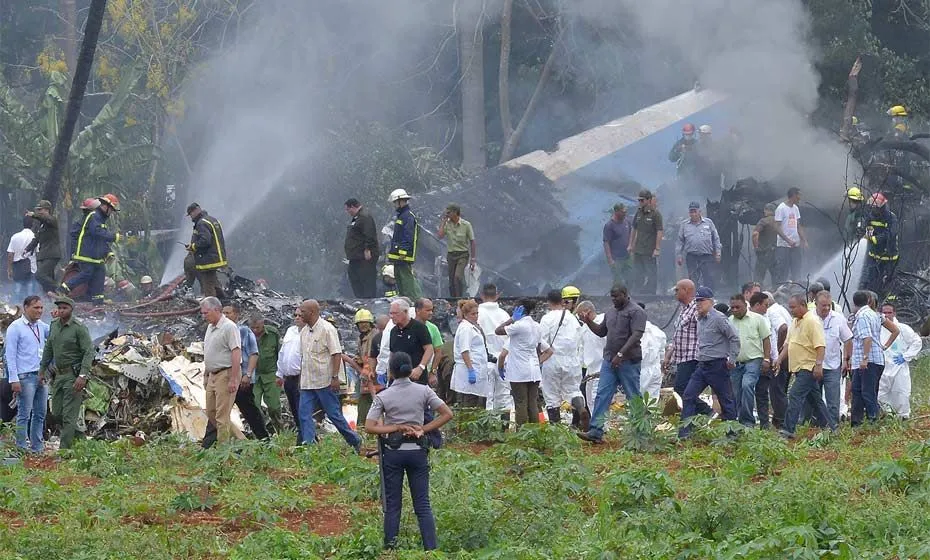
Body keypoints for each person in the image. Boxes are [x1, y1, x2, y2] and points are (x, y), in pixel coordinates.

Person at [366, 352, 453, 551]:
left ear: (391, 372)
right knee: (422, 505)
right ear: (409, 369)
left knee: (393, 505)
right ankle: (431, 550)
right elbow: (447, 414)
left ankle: (390, 549)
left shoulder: (383, 396)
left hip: (393, 454)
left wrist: (394, 428)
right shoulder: (424, 391)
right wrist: (424, 429)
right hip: (418, 452)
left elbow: (370, 426)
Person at [577, 284, 647, 443]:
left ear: (625, 294)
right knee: (602, 394)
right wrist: (588, 322)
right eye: (612, 297)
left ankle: (641, 433)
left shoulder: (636, 312)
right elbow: (601, 331)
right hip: (609, 360)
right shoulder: (611, 312)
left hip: (628, 361)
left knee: (633, 395)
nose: (614, 300)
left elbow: (636, 335)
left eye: (616, 296)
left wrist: (621, 354)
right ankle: (595, 431)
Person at [201, 305, 270, 447]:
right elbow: (210, 353)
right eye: (225, 312)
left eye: (228, 312)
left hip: (240, 378)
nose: (226, 315)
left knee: (249, 411)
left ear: (236, 314)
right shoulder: (213, 329)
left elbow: (252, 354)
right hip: (221, 377)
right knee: (216, 412)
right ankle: (210, 444)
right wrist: (207, 373)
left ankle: (264, 440)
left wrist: (247, 375)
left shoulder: (243, 331)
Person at [298, 299, 361, 451]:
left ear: (312, 312)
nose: (300, 314)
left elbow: (336, 354)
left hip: (324, 381)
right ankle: (309, 447)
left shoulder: (327, 329)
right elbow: (304, 358)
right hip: (307, 382)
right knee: (304, 414)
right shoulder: (304, 332)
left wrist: (335, 378)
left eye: (303, 311)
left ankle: (354, 440)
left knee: (334, 415)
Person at [678, 287, 740, 439]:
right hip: (702, 364)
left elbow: (734, 338)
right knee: (688, 395)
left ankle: (732, 433)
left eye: (701, 301)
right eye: (697, 301)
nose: (698, 304)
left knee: (726, 400)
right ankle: (685, 433)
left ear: (711, 302)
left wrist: (732, 359)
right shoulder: (699, 319)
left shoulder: (719, 318)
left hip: (717, 365)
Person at [773, 294, 835, 438]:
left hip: (808, 366)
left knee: (794, 394)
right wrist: (779, 360)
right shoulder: (794, 322)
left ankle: (788, 430)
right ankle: (831, 427)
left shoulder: (812, 322)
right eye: (790, 307)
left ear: (803, 305)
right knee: (815, 399)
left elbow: (820, 346)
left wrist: (818, 365)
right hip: (798, 367)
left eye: (793, 307)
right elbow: (788, 344)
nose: (791, 310)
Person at [40, 296, 93, 449]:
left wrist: (82, 376)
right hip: (58, 375)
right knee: (57, 412)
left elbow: (88, 352)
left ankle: (64, 451)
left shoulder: (79, 328)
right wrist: (42, 370)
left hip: (73, 375)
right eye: (60, 308)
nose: (61, 310)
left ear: (71, 309)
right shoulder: (54, 325)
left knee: (69, 415)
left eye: (65, 308)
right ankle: (80, 438)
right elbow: (49, 349)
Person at [495, 299, 552, 427]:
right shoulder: (537, 326)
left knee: (520, 402)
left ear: (520, 310)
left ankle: (521, 433)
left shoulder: (519, 326)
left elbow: (498, 331)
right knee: (532, 403)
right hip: (534, 371)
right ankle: (535, 432)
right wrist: (537, 363)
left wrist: (511, 319)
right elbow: (539, 349)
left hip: (519, 371)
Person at [5, 296, 50, 453]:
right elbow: (9, 355)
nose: (39, 311)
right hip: (25, 377)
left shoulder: (42, 327)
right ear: (25, 308)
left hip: (41, 376)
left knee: (40, 413)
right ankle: (21, 447)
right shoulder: (15, 328)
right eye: (35, 308)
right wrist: (14, 379)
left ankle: (37, 447)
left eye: (41, 308)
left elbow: (55, 335)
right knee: (24, 414)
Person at [539, 289, 588, 428]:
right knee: (574, 390)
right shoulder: (572, 318)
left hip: (552, 359)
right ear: (562, 301)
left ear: (548, 302)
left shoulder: (547, 318)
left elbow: (541, 340)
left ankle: (557, 429)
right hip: (573, 360)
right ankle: (579, 413)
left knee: (551, 395)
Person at [663, 279, 713, 416]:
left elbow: (704, 331)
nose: (675, 293)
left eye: (677, 290)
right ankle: (691, 420)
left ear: (686, 290)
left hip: (692, 357)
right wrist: (668, 356)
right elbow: (677, 335)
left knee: (682, 390)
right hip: (681, 358)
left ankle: (707, 412)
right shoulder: (684, 310)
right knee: (685, 391)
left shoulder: (695, 309)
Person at [850, 290, 899, 426]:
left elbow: (867, 338)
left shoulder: (864, 316)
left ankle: (873, 421)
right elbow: (895, 330)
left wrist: (865, 358)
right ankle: (857, 422)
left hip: (868, 360)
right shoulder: (875, 315)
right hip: (872, 359)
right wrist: (883, 347)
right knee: (859, 390)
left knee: (866, 392)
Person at [62, 194, 120, 304]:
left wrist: (108, 253)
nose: (111, 212)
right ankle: (64, 289)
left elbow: (100, 240)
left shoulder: (100, 219)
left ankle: (98, 302)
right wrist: (113, 237)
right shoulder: (94, 216)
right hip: (87, 254)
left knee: (99, 275)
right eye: (111, 210)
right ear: (105, 206)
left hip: (96, 257)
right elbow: (97, 233)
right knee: (87, 273)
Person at [199, 297, 242, 446]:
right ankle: (242, 442)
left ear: (216, 310)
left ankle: (223, 452)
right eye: (202, 313)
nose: (204, 316)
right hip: (213, 375)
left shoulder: (229, 327)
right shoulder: (210, 327)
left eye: (206, 313)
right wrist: (206, 374)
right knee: (211, 412)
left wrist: (233, 378)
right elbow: (209, 351)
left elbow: (236, 352)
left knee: (222, 416)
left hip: (226, 373)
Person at [728, 294, 771, 427]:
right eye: (732, 307)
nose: (735, 310)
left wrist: (767, 359)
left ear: (745, 306)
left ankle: (748, 422)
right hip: (736, 363)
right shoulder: (730, 321)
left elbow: (766, 339)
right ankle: (739, 422)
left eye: (737, 307)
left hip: (754, 360)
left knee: (747, 386)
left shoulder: (758, 319)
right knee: (736, 392)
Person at [812, 290, 853, 426]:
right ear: (816, 304)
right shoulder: (809, 318)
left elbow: (848, 339)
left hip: (833, 365)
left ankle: (833, 426)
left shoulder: (838, 319)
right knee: (813, 398)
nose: (827, 308)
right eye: (823, 305)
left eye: (829, 305)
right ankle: (816, 424)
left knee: (833, 399)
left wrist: (846, 360)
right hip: (813, 365)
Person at [878, 301, 921, 418]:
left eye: (889, 312)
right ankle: (887, 415)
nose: (886, 315)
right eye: (884, 313)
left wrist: (906, 356)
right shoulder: (877, 329)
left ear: (894, 313)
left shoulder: (902, 328)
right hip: (883, 366)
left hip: (898, 366)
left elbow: (916, 342)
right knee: (881, 393)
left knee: (901, 392)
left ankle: (903, 416)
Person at [477, 284, 513, 423]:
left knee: (486, 396)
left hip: (485, 361)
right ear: (497, 295)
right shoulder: (504, 315)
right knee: (504, 397)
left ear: (481, 295)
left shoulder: (477, 313)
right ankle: (503, 428)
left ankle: (488, 427)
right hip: (503, 360)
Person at [185, 203, 228, 299]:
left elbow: (205, 240)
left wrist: (193, 247)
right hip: (216, 257)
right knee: (213, 280)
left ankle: (211, 305)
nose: (191, 216)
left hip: (208, 259)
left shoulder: (201, 223)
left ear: (196, 210)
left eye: (191, 213)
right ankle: (223, 300)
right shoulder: (212, 220)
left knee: (207, 284)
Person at [451, 299, 489, 408]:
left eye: (477, 313)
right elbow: (464, 350)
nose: (476, 316)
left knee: (475, 401)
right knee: (469, 404)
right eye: (473, 314)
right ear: (465, 315)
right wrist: (470, 369)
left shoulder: (473, 327)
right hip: (469, 370)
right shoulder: (465, 328)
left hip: (477, 368)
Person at [859, 193, 898, 294]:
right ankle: (873, 298)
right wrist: (864, 233)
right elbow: (866, 229)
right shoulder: (870, 217)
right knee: (872, 280)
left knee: (888, 281)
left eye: (876, 208)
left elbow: (891, 234)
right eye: (872, 207)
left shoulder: (891, 217)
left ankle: (889, 301)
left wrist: (876, 238)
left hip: (889, 256)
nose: (874, 210)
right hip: (874, 255)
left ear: (882, 207)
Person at [676, 201, 721, 289]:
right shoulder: (684, 225)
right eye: (691, 212)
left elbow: (716, 238)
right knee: (693, 279)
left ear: (700, 212)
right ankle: (694, 299)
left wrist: (718, 253)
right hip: (692, 256)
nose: (693, 214)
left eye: (694, 211)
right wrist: (679, 255)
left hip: (706, 256)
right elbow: (680, 241)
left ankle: (709, 298)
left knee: (708, 278)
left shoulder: (709, 223)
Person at [386, 189, 422, 299]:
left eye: (395, 203)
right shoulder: (402, 216)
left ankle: (414, 301)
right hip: (398, 255)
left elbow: (408, 236)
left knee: (406, 280)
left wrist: (403, 252)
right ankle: (404, 300)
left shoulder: (408, 216)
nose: (394, 205)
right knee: (400, 279)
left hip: (403, 255)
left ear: (401, 201)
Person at [764, 291, 792, 429]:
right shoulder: (782, 309)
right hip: (788, 356)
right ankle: (778, 418)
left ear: (767, 302)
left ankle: (782, 421)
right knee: (781, 388)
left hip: (781, 358)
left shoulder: (772, 312)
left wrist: (779, 351)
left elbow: (783, 328)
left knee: (776, 389)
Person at [250, 314, 282, 433]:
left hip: (271, 374)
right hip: (253, 376)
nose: (255, 330)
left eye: (257, 327)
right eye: (252, 327)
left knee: (274, 406)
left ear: (263, 323)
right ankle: (260, 434)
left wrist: (281, 374)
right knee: (255, 406)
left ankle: (280, 431)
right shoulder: (247, 335)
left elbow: (280, 354)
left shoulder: (273, 334)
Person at [628, 189, 663, 295]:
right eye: (639, 200)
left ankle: (651, 293)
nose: (640, 202)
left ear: (648, 200)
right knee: (638, 272)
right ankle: (638, 292)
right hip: (638, 248)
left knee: (651, 272)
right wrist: (631, 244)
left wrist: (657, 248)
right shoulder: (638, 213)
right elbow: (634, 228)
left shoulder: (655, 214)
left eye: (642, 200)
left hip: (649, 249)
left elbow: (659, 231)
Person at [437, 204, 477, 298]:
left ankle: (459, 298)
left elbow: (472, 241)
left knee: (457, 277)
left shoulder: (466, 225)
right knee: (451, 280)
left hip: (462, 254)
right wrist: (443, 222)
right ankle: (453, 298)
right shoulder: (447, 224)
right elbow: (440, 236)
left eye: (449, 212)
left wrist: (473, 259)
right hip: (451, 255)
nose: (447, 215)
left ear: (455, 212)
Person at [344, 198, 380, 298]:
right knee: (354, 277)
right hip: (356, 257)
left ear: (353, 207)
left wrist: (368, 249)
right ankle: (361, 300)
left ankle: (369, 301)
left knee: (367, 280)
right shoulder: (357, 218)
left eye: (348, 209)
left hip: (364, 257)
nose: (347, 212)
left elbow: (370, 234)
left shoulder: (365, 217)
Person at [276, 309, 304, 437]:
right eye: (295, 315)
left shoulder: (309, 332)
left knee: (301, 409)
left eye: (300, 315)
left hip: (301, 378)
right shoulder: (290, 331)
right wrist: (279, 374)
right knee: (293, 408)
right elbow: (283, 353)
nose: (297, 318)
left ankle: (305, 437)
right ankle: (303, 434)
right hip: (288, 378)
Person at [26, 200, 61, 294]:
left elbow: (45, 219)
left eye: (40, 209)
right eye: (38, 210)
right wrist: (27, 249)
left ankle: (60, 289)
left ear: (47, 210)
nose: (39, 212)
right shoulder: (42, 225)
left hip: (52, 254)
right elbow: (37, 238)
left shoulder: (52, 220)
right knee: (47, 278)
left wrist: (34, 215)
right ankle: (54, 296)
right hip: (44, 255)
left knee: (40, 275)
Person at [774, 187, 807, 284]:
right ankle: (781, 289)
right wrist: (788, 240)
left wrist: (804, 240)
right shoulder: (781, 208)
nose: (799, 198)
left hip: (795, 245)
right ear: (793, 196)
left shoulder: (796, 208)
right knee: (783, 270)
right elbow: (777, 227)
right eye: (798, 195)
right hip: (783, 246)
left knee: (796, 269)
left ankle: (796, 288)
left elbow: (798, 225)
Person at [639, 307, 667, 405]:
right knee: (651, 402)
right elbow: (662, 353)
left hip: (641, 370)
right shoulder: (657, 331)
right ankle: (649, 420)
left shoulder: (636, 331)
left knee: (637, 402)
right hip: (655, 370)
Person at [414, 299, 443, 387]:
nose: (431, 313)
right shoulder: (408, 327)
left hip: (427, 373)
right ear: (418, 310)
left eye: (432, 310)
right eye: (427, 310)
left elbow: (438, 352)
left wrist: (433, 372)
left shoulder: (433, 328)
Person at [7, 216, 36, 300]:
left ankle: (16, 309)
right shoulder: (34, 237)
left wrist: (9, 269)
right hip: (31, 268)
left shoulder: (15, 236)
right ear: (32, 225)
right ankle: (30, 310)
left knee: (17, 290)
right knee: (30, 293)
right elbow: (38, 252)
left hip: (17, 267)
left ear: (23, 224)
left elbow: (10, 254)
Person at [603, 203, 632, 288]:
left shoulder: (627, 222)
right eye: (623, 212)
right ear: (616, 212)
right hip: (616, 259)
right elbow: (606, 242)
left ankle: (629, 296)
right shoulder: (609, 226)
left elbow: (631, 234)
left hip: (627, 257)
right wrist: (610, 259)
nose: (625, 214)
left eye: (625, 212)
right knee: (618, 281)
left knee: (629, 279)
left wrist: (631, 247)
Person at [752, 203, 778, 286]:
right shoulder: (779, 222)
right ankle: (777, 293)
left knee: (758, 277)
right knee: (775, 275)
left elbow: (755, 234)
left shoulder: (763, 221)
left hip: (763, 252)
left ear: (766, 210)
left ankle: (757, 294)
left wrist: (756, 247)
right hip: (775, 252)